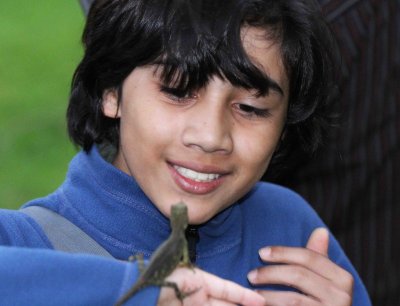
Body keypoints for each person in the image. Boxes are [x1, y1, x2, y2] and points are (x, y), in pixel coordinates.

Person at [0, 0, 371, 305]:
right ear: (111, 90)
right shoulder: (24, 241)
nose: (211, 136)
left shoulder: (290, 229)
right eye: (178, 92)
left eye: (251, 109)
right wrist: (139, 291)